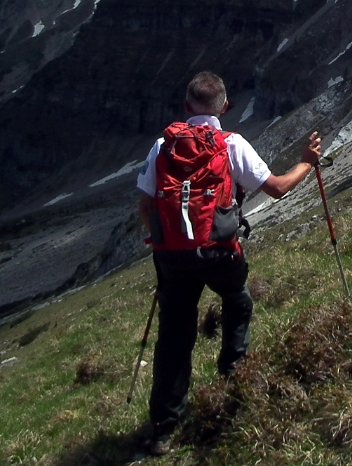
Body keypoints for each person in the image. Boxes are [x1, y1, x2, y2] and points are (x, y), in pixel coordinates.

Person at [135, 71, 322, 455]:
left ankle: (164, 428)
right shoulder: (231, 143)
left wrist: (164, 239)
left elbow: (145, 204)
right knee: (237, 301)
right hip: (219, 252)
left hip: (172, 256)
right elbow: (277, 188)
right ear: (224, 106)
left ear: (187, 107)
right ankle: (234, 378)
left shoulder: (161, 146)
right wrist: (306, 162)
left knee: (174, 335)